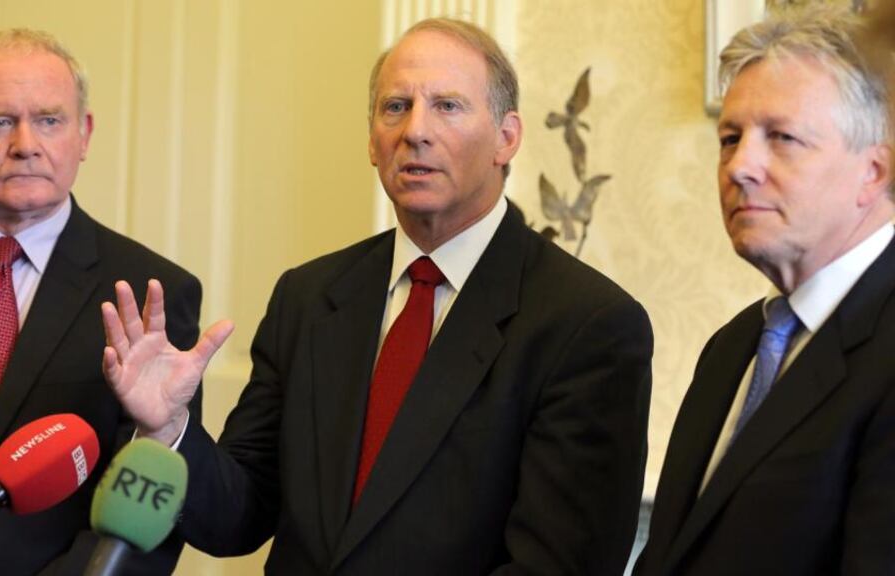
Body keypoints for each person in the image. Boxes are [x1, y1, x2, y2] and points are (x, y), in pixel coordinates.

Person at [104, 18, 653, 574]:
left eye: (448, 106)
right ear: (371, 141)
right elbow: (240, 515)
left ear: (507, 138)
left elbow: (558, 564)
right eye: (395, 107)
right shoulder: (309, 297)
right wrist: (169, 430)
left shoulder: (587, 324)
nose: (415, 130)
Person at [0, 29, 201, 575]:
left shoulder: (152, 292)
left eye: (50, 120)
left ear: (84, 133)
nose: (26, 143)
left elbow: (149, 503)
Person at [636, 7, 895, 575]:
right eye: (730, 138)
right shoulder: (734, 348)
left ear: (874, 171)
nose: (740, 167)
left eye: (782, 137)